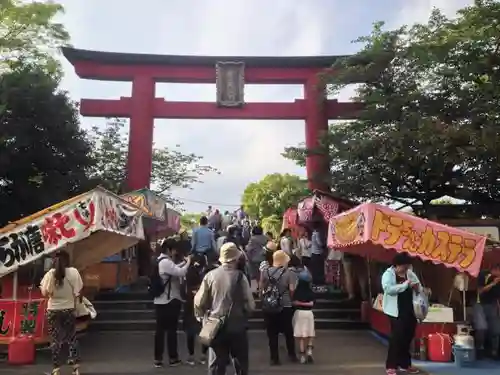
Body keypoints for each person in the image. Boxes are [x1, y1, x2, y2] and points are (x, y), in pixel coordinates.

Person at [194, 242, 255, 375]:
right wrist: (245, 313)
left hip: (216, 325)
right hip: (237, 325)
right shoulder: (241, 277)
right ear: (236, 258)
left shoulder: (210, 276)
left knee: (216, 364)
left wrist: (201, 317)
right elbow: (250, 304)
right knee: (240, 363)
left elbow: (199, 301)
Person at [39, 250, 83, 375]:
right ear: (67, 260)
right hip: (69, 309)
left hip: (53, 310)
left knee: (55, 340)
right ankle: (75, 368)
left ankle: (56, 369)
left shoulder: (50, 274)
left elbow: (45, 293)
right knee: (72, 338)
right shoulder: (74, 272)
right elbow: (78, 290)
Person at [382, 252, 422, 375]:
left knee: (408, 336)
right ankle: (391, 365)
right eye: (403, 266)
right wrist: (404, 285)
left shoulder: (410, 273)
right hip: (395, 311)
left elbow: (419, 287)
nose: (405, 269)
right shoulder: (388, 274)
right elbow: (388, 289)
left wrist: (416, 287)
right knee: (397, 338)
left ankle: (405, 364)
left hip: (410, 309)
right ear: (396, 265)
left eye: (407, 266)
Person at [153, 238, 191, 368]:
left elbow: (174, 268)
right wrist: (188, 263)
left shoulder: (161, 261)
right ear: (169, 250)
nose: (175, 252)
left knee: (160, 331)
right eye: (174, 249)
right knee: (170, 331)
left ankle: (158, 358)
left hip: (160, 301)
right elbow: (180, 272)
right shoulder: (166, 262)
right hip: (169, 301)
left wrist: (182, 263)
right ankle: (173, 358)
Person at [260, 250, 297, 365]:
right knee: (288, 331)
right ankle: (291, 354)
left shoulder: (265, 272)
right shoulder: (289, 273)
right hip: (285, 305)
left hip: (269, 306)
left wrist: (265, 299)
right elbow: (292, 289)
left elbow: (261, 288)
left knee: (272, 333)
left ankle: (274, 358)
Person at [183, 256, 209, 365]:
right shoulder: (206, 274)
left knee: (190, 332)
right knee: (203, 330)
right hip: (202, 305)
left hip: (189, 305)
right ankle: (203, 355)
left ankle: (191, 356)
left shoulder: (188, 273)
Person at [473, 264, 500, 359]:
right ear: (495, 270)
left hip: (492, 305)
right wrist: (493, 283)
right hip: (480, 303)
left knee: (496, 330)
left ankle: (494, 351)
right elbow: (480, 291)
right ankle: (479, 349)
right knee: (482, 327)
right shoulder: (484, 274)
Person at [292, 272, 315, 364]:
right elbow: (312, 304)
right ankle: (309, 351)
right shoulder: (310, 292)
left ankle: (302, 357)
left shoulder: (297, 292)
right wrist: (306, 304)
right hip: (309, 313)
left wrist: (299, 303)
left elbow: (294, 303)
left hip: (299, 313)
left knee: (301, 336)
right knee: (310, 333)